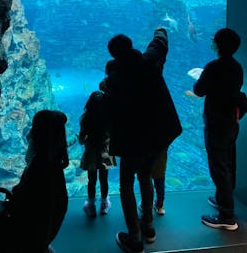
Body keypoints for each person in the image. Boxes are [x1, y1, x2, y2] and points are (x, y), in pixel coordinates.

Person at [101, 28, 182, 253]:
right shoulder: (149, 61)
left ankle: (134, 239)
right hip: (157, 135)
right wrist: (160, 32)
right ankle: (148, 226)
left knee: (126, 183)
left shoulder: (116, 79)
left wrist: (105, 89)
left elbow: (110, 108)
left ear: (114, 55)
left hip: (133, 139)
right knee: (145, 176)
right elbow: (159, 45)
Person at [192, 28, 243, 231]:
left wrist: (201, 77)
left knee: (218, 166)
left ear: (218, 45)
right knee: (229, 161)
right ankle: (224, 199)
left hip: (216, 122)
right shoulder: (237, 67)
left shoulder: (214, 66)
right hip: (231, 121)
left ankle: (226, 217)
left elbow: (198, 90)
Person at [10, 109, 69, 253]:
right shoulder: (55, 163)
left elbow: (26, 199)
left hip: (33, 232)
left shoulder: (39, 165)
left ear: (37, 134)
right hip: (47, 231)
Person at [78, 90, 116, 218]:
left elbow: (82, 139)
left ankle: (91, 206)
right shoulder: (109, 117)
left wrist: (81, 139)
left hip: (91, 153)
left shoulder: (85, 118)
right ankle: (104, 204)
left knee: (91, 180)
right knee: (104, 180)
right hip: (105, 152)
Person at [139, 148, 168, 216]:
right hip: (160, 157)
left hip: (146, 155)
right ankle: (159, 206)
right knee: (160, 180)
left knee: (146, 180)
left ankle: (145, 205)